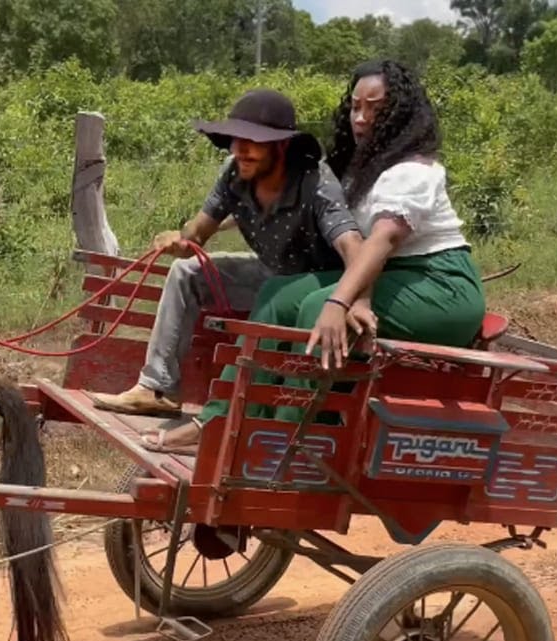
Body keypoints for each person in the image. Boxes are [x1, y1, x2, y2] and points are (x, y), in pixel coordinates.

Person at [143, 59, 487, 451]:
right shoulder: (361, 169)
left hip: (439, 287)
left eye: (376, 108)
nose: (361, 118)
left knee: (316, 309)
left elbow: (382, 241)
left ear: (401, 114)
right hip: (388, 274)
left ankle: (289, 438)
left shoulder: (412, 171)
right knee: (277, 297)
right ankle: (220, 422)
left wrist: (345, 300)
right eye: (356, 106)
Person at [89, 88, 362, 418]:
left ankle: (255, 407)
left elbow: (353, 247)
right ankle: (157, 388)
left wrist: (354, 300)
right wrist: (180, 240)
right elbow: (198, 233)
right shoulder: (234, 173)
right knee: (186, 271)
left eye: (253, 141)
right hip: (269, 273)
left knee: (281, 294)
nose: (240, 150)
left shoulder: (316, 182)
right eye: (235, 139)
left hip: (312, 285)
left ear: (282, 145)